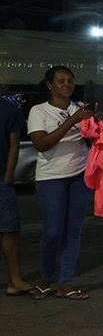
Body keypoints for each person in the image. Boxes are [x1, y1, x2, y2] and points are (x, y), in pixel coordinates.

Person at [27, 66, 95, 300]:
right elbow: (41, 144)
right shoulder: (39, 111)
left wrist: (96, 126)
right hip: (51, 178)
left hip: (79, 176)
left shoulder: (80, 109)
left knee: (73, 230)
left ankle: (65, 283)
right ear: (49, 85)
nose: (67, 85)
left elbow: (91, 140)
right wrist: (72, 121)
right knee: (53, 231)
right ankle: (45, 279)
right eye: (61, 81)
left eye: (70, 81)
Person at [2, 91, 36, 296]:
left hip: (1, 179)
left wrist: (7, 177)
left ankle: (15, 280)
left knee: (10, 229)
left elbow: (14, 145)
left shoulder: (9, 110)